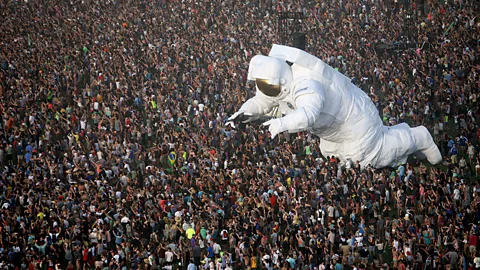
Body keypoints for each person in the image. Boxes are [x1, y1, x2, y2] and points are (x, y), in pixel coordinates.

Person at [228, 44, 442, 169]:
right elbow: (262, 103)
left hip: (353, 122)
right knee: (333, 155)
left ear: (282, 81)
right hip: (332, 133)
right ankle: (406, 139)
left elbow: (308, 114)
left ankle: (419, 137)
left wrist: (283, 123)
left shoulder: (306, 83)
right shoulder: (274, 85)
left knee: (371, 156)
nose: (264, 89)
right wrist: (244, 112)